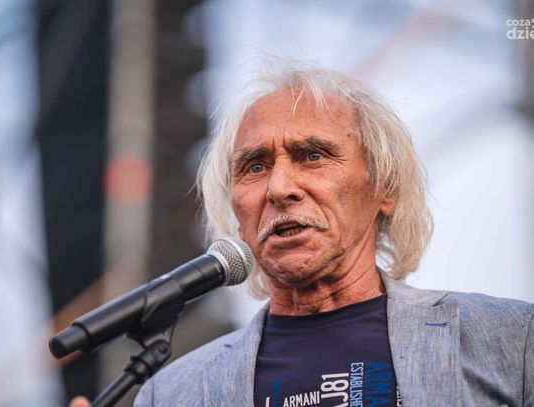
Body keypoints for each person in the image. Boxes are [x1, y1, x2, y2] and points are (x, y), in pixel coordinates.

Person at [69, 67, 533, 407]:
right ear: (235, 210)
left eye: (312, 155)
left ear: (385, 188)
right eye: (255, 166)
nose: (279, 188)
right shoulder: (171, 394)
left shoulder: (515, 340)